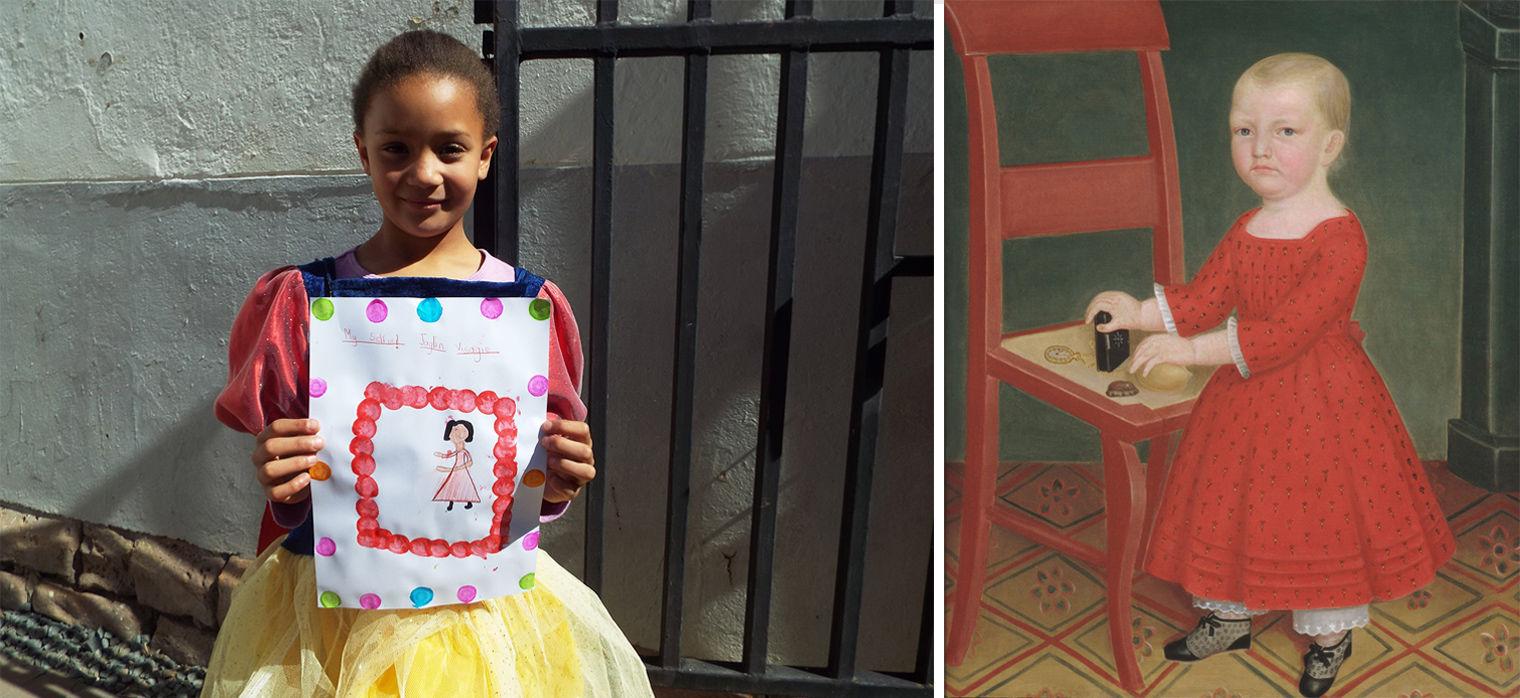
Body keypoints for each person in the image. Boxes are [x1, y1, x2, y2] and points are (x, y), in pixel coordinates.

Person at [203, 30, 653, 696]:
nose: (423, 173)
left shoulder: (528, 313)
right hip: (334, 621)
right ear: (363, 153)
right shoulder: (303, 305)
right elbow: (298, 491)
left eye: (449, 148)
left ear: (486, 156)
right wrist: (284, 471)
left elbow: (525, 487)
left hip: (484, 616)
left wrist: (552, 486)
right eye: (395, 149)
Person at [1084, 53, 1454, 698]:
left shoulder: (1341, 237)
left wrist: (1190, 353)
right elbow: (1204, 299)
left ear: (1331, 145)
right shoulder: (1246, 227)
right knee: (1229, 505)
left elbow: (1286, 333)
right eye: (1243, 130)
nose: (1259, 149)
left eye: (1285, 131)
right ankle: (1229, 619)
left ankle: (1327, 637)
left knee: (1317, 515)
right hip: (1242, 401)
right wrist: (1139, 311)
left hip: (1323, 403)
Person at [433, 419, 479, 511]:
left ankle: (468, 502)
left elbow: (470, 462)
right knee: (453, 485)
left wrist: (460, 467)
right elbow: (453, 454)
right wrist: (442, 455)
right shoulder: (459, 451)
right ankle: (451, 503)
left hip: (462, 471)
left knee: (464, 485)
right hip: (456, 470)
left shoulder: (464, 452)